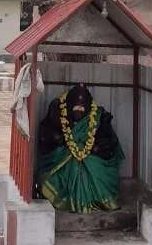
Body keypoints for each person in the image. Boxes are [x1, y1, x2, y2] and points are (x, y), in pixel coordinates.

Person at [37, 83, 124, 213]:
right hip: (65, 156)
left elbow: (109, 142)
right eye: (76, 107)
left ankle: (97, 200)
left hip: (92, 156)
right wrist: (64, 141)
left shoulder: (98, 117)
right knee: (68, 167)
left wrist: (93, 148)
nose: (79, 110)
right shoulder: (58, 113)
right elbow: (48, 136)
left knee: (94, 168)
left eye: (82, 108)